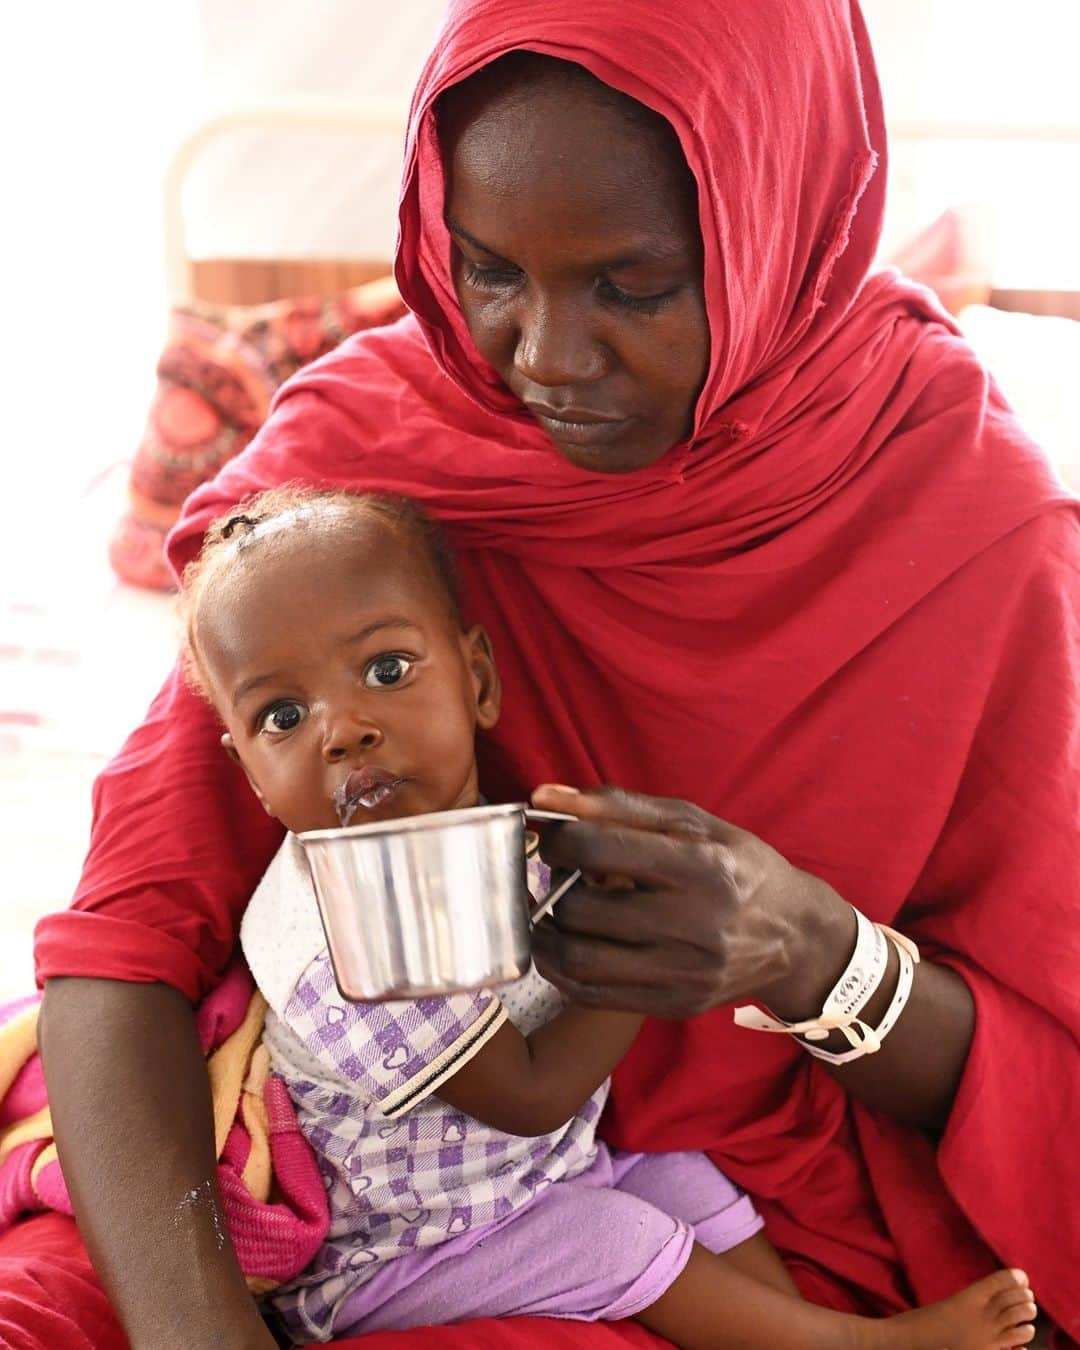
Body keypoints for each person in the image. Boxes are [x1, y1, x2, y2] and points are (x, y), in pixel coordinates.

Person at [6, 1, 1076, 1348]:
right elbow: (123, 945)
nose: (544, 360)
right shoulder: (351, 505)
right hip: (318, 1182)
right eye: (486, 273)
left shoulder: (968, 519)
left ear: (775, 226)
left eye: (629, 286)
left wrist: (811, 949)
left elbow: (1039, 1067)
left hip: (739, 1212)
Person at [181, 483, 1034, 1350]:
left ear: (477, 679)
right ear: (250, 772)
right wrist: (644, 940)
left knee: (682, 1171)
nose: (345, 729)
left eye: (387, 670)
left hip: (535, 1176)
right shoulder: (335, 925)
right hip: (396, 1253)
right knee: (615, 1239)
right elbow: (529, 1095)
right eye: (282, 716)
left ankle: (812, 1332)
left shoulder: (494, 836)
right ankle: (862, 1348)